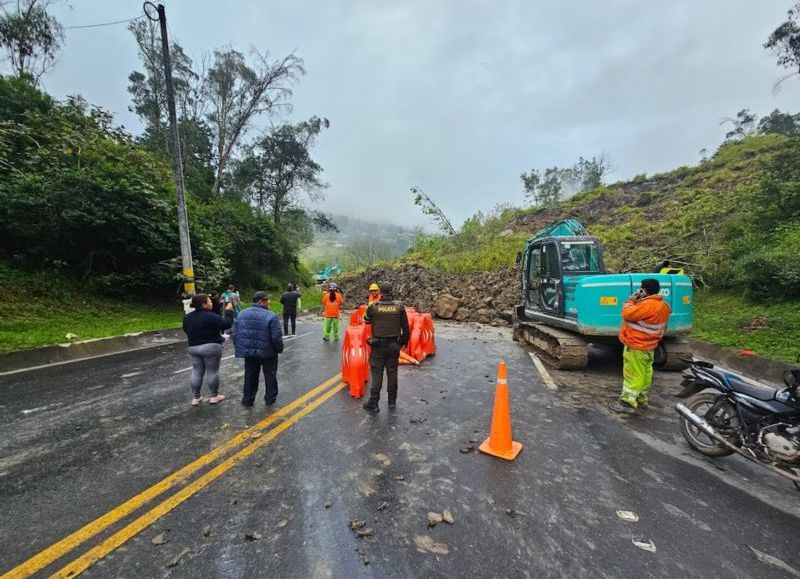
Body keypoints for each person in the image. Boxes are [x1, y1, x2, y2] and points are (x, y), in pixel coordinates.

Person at [609, 278, 671, 414]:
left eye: (641, 289)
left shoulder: (647, 305)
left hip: (637, 345)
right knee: (645, 373)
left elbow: (627, 314)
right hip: (650, 346)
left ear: (644, 290)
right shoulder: (664, 306)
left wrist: (630, 300)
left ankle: (627, 402)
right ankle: (641, 398)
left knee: (633, 374)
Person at [362, 282, 410, 413]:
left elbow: (366, 320)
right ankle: (392, 402)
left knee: (377, 373)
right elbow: (405, 326)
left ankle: (373, 403)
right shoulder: (399, 306)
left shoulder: (373, 307)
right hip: (394, 345)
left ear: (380, 292)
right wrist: (404, 342)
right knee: (392, 372)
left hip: (378, 346)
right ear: (392, 291)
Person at [232, 291, 285, 407]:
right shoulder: (271, 315)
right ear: (261, 302)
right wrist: (279, 349)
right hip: (268, 352)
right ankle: (270, 399)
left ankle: (248, 399)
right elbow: (276, 337)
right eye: (267, 300)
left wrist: (241, 347)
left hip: (249, 352)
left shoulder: (241, 314)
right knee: (270, 374)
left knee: (250, 375)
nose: (269, 302)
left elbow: (235, 333)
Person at [182, 293, 234, 406]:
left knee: (196, 371)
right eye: (209, 302)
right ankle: (214, 396)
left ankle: (196, 398)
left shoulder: (187, 317)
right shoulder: (210, 316)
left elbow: (186, 330)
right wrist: (229, 311)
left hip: (193, 347)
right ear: (204, 304)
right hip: (211, 347)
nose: (211, 303)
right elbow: (226, 324)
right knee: (212, 371)